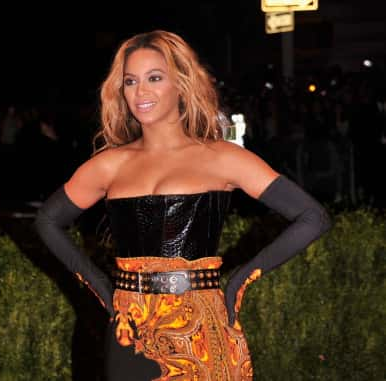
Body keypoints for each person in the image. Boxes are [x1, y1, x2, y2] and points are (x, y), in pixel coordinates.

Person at [34, 30, 331, 381]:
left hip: (202, 325)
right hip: (131, 332)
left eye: (154, 78)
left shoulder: (222, 157)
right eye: (130, 81)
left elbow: (313, 217)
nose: (140, 92)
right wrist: (104, 290)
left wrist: (240, 279)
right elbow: (47, 221)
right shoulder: (108, 164)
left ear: (181, 84)